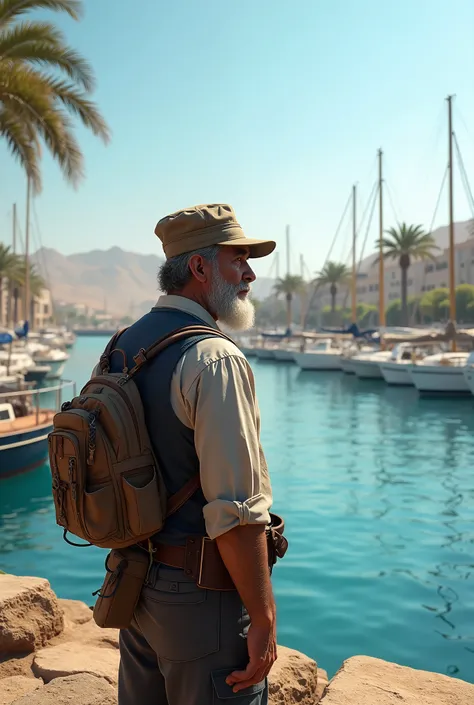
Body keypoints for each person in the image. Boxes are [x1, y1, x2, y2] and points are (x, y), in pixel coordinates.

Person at [105, 204, 278, 705]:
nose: (249, 273)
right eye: (237, 259)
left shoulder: (122, 343)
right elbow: (236, 513)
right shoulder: (214, 358)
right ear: (199, 269)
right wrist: (263, 618)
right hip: (203, 604)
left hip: (135, 586)